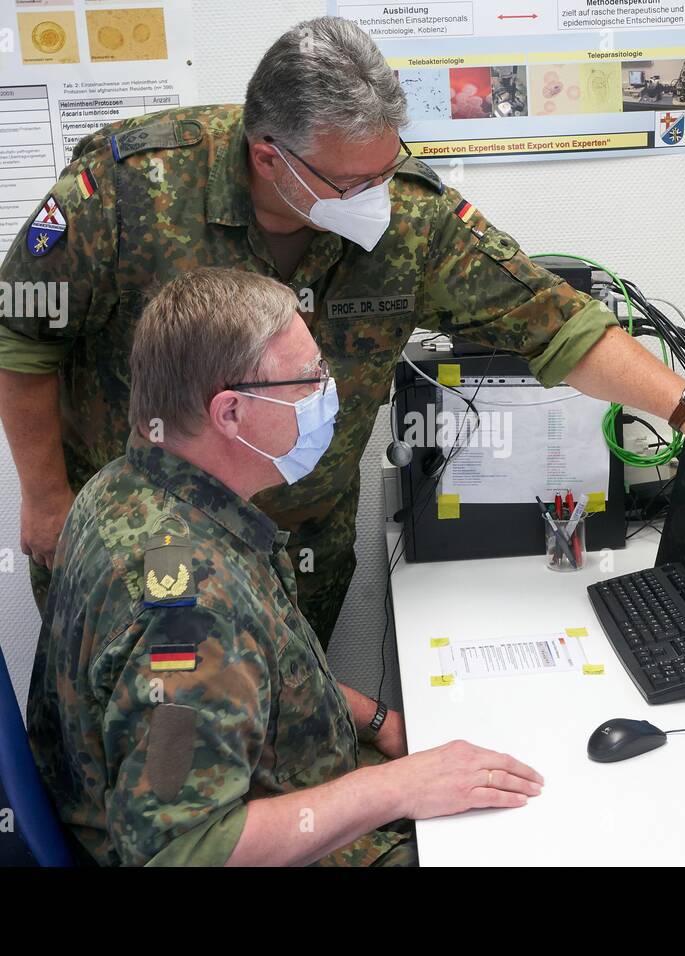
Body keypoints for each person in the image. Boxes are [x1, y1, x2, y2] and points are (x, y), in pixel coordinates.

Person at [0, 15, 685, 657]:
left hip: (298, 553)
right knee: (163, 790)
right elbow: (20, 338)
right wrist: (46, 498)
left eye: (389, 167)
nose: (379, 195)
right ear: (270, 158)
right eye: (354, 181)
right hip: (141, 550)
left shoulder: (410, 215)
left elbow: (558, 325)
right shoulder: (130, 190)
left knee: (284, 755)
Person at [27, 267, 545, 866]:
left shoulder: (126, 487)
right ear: (230, 414)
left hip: (291, 789)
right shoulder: (189, 610)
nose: (330, 394)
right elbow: (182, 851)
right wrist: (398, 787)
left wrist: (377, 721)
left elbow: (265, 676)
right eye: (308, 381)